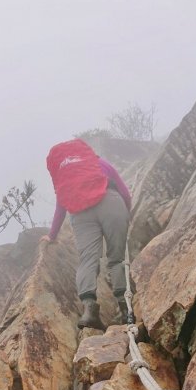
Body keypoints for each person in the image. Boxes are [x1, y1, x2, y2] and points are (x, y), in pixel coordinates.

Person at [42, 138, 132, 329]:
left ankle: (89, 310)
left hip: (80, 213)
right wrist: (126, 213)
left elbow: (61, 205)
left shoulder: (66, 176)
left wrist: (52, 235)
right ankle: (126, 310)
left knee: (87, 260)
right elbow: (125, 192)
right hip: (111, 203)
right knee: (117, 257)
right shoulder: (99, 163)